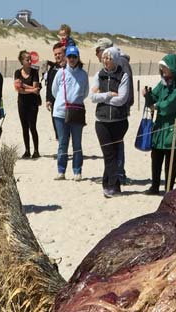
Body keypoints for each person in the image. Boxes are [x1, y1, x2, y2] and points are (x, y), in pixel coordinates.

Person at [143, 54, 176, 195]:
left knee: (171, 157)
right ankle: (155, 186)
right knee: (156, 155)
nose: (163, 70)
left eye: (165, 67)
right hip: (160, 125)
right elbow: (156, 95)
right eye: (162, 68)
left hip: (174, 126)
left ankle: (169, 189)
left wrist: (156, 106)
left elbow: (172, 103)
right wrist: (148, 96)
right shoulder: (164, 81)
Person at [90, 46, 132, 197]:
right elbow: (92, 97)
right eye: (104, 58)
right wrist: (108, 94)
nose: (106, 61)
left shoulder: (123, 75)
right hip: (101, 121)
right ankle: (111, 186)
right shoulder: (98, 75)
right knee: (108, 154)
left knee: (114, 153)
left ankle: (110, 185)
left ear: (115, 59)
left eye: (109, 58)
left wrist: (103, 97)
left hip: (119, 120)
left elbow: (122, 99)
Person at [51, 44, 89, 180]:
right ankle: (61, 170)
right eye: (69, 56)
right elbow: (54, 91)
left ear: (78, 58)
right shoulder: (60, 73)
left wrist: (74, 103)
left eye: (74, 57)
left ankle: (77, 171)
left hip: (77, 112)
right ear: (66, 58)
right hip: (60, 113)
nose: (72, 59)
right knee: (62, 143)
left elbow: (85, 92)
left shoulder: (83, 75)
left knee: (77, 143)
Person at [13, 50, 42, 159]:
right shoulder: (17, 72)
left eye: (30, 59)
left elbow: (36, 87)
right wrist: (32, 89)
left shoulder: (35, 72)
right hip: (22, 103)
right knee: (24, 127)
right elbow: (18, 89)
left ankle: (36, 151)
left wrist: (24, 85)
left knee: (32, 127)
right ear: (21, 61)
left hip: (33, 103)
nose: (30, 61)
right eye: (27, 59)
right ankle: (27, 151)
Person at [44, 41, 66, 147]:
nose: (57, 56)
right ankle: (61, 146)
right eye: (55, 54)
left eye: (59, 53)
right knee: (57, 127)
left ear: (64, 53)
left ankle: (63, 147)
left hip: (67, 103)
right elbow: (49, 85)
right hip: (55, 103)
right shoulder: (53, 68)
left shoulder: (69, 66)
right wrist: (48, 99)